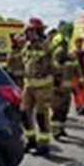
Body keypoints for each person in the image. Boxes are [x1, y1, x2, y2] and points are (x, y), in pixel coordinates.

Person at [20, 17, 55, 155]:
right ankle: (31, 141)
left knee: (41, 115)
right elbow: (25, 63)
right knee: (24, 113)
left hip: (43, 87)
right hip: (28, 86)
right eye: (27, 31)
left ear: (37, 31)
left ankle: (44, 145)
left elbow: (53, 65)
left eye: (30, 31)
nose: (27, 33)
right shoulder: (27, 46)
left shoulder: (46, 46)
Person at [49, 33, 81, 140]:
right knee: (57, 111)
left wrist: (80, 82)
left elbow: (77, 69)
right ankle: (55, 131)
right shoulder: (54, 57)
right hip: (57, 89)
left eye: (65, 44)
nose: (64, 47)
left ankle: (61, 129)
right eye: (62, 44)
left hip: (67, 89)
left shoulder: (70, 57)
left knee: (64, 111)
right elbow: (52, 71)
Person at [72, 36, 84, 115]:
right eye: (78, 42)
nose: (80, 44)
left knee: (83, 93)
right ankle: (79, 106)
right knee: (77, 93)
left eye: (81, 42)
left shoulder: (83, 53)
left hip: (83, 75)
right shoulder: (73, 53)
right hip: (75, 76)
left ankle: (82, 107)